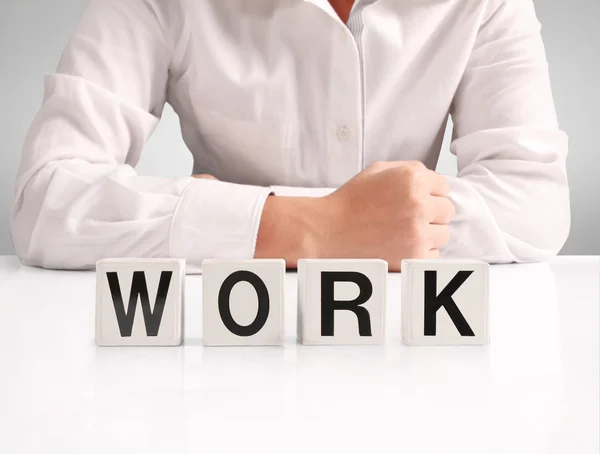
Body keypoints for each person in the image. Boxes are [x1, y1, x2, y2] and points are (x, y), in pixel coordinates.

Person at [10, 0, 570, 273]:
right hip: (222, 348)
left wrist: (224, 218)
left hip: (410, 350)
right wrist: (315, 228)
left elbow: (534, 202)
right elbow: (46, 198)